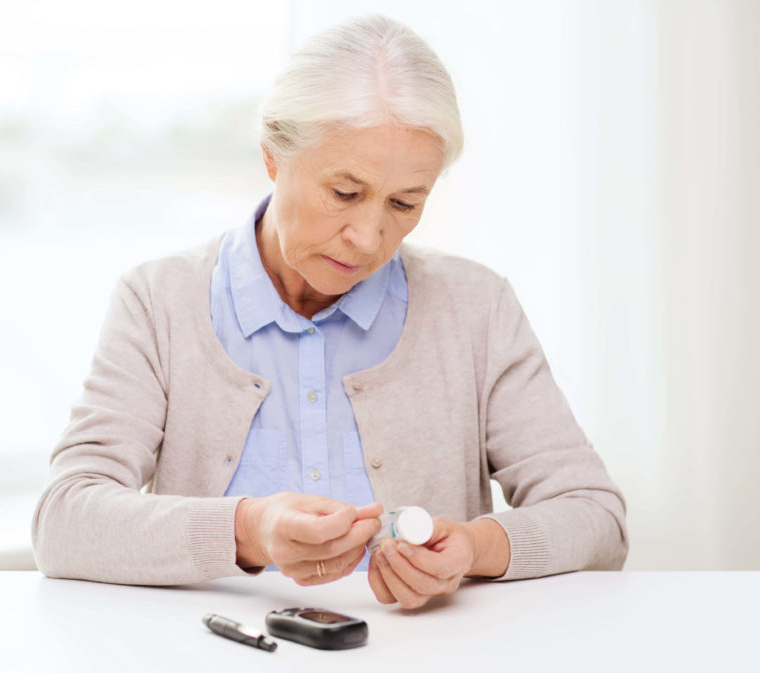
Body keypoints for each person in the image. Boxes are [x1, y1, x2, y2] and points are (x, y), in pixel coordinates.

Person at [31, 14, 627, 609]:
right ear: (272, 154)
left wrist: (478, 545)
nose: (368, 238)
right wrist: (248, 529)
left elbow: (597, 519)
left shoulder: (476, 307)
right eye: (344, 193)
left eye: (404, 202)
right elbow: (64, 522)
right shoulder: (158, 301)